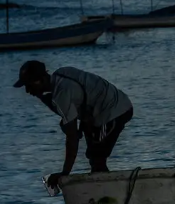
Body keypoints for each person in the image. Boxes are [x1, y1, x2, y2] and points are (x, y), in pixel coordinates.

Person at [14, 60, 134, 189]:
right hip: (95, 115)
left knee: (97, 156)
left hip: (115, 111)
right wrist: (40, 95)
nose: (27, 90)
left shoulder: (61, 94)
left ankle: (109, 193)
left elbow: (72, 138)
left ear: (42, 79)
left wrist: (65, 173)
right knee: (94, 157)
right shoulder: (62, 74)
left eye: (29, 85)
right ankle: (104, 191)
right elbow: (73, 108)